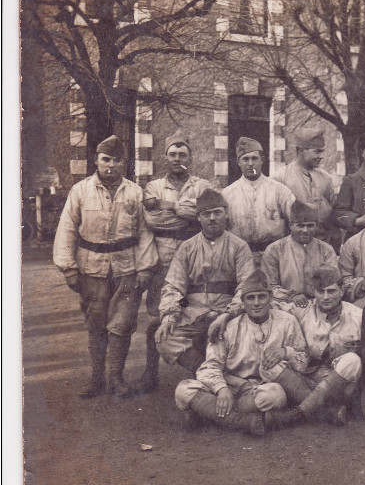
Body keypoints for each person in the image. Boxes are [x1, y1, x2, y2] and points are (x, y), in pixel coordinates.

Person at [53, 135, 157, 399]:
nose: (111, 165)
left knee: (122, 325)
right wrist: (69, 267)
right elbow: (66, 228)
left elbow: (145, 231)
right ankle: (96, 379)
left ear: (124, 162)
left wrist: (145, 268)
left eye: (117, 160)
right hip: (92, 270)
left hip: (126, 270)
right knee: (96, 323)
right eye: (106, 159)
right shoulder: (81, 191)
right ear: (96, 160)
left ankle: (116, 379)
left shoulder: (134, 192)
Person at [174, 270, 309, 436]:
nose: (256, 303)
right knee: (183, 389)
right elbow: (210, 367)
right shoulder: (228, 327)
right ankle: (244, 421)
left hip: (259, 389)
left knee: (276, 395)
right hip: (229, 385)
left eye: (262, 296)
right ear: (243, 302)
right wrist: (221, 389)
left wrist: (285, 352)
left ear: (270, 298)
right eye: (250, 298)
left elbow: (303, 362)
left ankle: (209, 414)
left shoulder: (287, 321)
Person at [140, 132, 213, 392]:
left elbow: (204, 213)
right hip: (164, 262)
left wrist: (169, 208)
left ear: (190, 158)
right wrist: (181, 211)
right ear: (165, 157)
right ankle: (150, 373)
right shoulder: (153, 187)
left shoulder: (203, 186)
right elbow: (153, 220)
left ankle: (202, 371)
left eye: (182, 154)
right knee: (158, 316)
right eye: (173, 154)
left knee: (195, 311)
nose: (177, 159)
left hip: (195, 263)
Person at [155, 189, 256, 374]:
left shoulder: (239, 246)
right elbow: (174, 285)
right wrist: (170, 315)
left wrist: (228, 314)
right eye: (206, 214)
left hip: (227, 312)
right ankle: (205, 372)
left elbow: (246, 286)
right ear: (198, 218)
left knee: (245, 340)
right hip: (192, 312)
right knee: (164, 338)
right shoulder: (187, 247)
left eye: (217, 212)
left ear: (226, 213)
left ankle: (226, 375)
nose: (212, 218)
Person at [267, 265, 363, 429]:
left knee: (353, 360)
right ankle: (327, 412)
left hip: (341, 387)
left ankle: (298, 414)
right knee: (269, 365)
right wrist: (227, 315)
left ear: (341, 291)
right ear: (314, 292)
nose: (325, 297)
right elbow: (266, 306)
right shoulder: (302, 310)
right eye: (320, 291)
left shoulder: (358, 315)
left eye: (331, 291)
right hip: (307, 380)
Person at [222, 136, 296, 262]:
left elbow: (295, 222)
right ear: (238, 162)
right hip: (239, 257)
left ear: (262, 160)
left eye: (254, 159)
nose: (250, 164)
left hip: (275, 256)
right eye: (245, 159)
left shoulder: (280, 191)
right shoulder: (227, 194)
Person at [260, 200, 340, 307]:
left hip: (319, 304)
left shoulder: (326, 250)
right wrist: (290, 296)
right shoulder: (275, 250)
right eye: (300, 226)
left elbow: (332, 284)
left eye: (310, 225)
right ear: (291, 225)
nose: (305, 230)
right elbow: (268, 286)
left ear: (316, 226)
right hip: (284, 304)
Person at [272, 127, 339, 247]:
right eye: (317, 151)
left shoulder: (326, 178)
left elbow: (333, 215)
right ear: (302, 151)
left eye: (322, 151)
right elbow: (276, 218)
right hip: (291, 246)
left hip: (322, 245)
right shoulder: (280, 177)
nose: (321, 156)